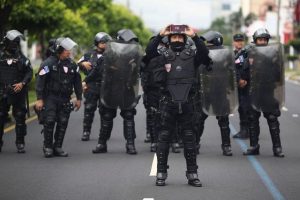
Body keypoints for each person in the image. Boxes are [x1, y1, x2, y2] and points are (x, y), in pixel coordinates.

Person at [146, 24, 211, 187]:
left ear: (184, 39)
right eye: (174, 37)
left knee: (190, 138)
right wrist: (160, 34)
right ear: (169, 39)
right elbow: (149, 52)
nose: (176, 39)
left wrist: (194, 36)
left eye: (179, 37)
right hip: (168, 103)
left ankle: (192, 173)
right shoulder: (162, 55)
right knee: (164, 138)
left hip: (188, 102)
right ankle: (161, 172)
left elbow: (205, 54)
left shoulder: (193, 55)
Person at [85, 29, 142, 155]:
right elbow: (97, 70)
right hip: (110, 89)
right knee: (106, 116)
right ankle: (102, 144)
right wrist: (86, 81)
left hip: (127, 89)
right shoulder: (109, 54)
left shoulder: (136, 55)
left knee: (128, 116)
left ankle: (130, 144)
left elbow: (142, 69)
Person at [35, 37, 82, 158]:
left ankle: (58, 147)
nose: (69, 52)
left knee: (63, 122)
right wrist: (39, 99)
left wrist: (79, 98)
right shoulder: (48, 64)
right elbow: (40, 80)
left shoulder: (72, 65)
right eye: (66, 49)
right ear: (59, 49)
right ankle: (48, 147)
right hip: (51, 97)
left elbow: (77, 82)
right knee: (49, 121)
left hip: (65, 99)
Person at [242, 28, 284, 157]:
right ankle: (254, 146)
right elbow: (244, 71)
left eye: (265, 39)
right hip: (254, 92)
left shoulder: (273, 55)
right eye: (260, 39)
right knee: (252, 119)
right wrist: (242, 80)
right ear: (255, 40)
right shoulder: (249, 54)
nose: (263, 41)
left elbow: (279, 74)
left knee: (272, 119)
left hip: (268, 91)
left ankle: (277, 148)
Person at [196, 31, 234, 156]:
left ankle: (226, 146)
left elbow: (232, 72)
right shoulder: (203, 54)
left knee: (223, 120)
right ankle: (195, 144)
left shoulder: (226, 54)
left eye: (209, 42)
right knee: (199, 119)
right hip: (205, 92)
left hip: (220, 92)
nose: (207, 44)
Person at [0, 30, 33, 153]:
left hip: (18, 92)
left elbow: (29, 72)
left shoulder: (21, 58)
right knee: (1, 116)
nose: (15, 45)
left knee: (20, 117)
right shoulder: (1, 56)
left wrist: (22, 83)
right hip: (2, 91)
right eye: (13, 43)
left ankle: (20, 143)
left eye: (17, 43)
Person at [79, 32, 112, 141]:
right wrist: (82, 64)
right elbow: (76, 64)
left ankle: (104, 134)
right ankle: (86, 131)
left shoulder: (111, 54)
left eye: (106, 42)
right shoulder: (89, 54)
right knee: (89, 109)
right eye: (103, 42)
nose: (105, 45)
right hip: (91, 86)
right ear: (97, 43)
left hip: (105, 86)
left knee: (105, 111)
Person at [232, 33, 250, 139]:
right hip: (236, 85)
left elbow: (249, 68)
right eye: (237, 41)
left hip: (246, 85)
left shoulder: (247, 53)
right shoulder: (233, 54)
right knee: (240, 108)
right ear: (234, 42)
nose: (239, 42)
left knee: (245, 108)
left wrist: (245, 79)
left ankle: (246, 131)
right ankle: (243, 129)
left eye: (241, 40)